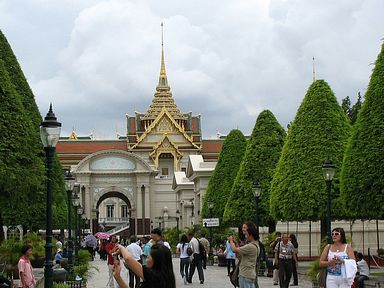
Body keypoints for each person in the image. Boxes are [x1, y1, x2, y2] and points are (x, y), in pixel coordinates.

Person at [229, 222, 259, 288]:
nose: (243, 231)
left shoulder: (251, 246)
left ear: (251, 232)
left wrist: (231, 241)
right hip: (246, 274)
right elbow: (239, 254)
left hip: (246, 276)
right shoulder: (255, 244)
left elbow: (234, 250)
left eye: (245, 228)